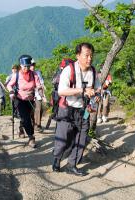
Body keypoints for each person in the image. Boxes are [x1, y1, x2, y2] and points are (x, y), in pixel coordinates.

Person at [52, 42, 101, 176]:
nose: (89, 59)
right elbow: (62, 91)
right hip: (67, 109)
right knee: (63, 139)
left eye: (91, 56)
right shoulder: (69, 70)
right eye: (86, 55)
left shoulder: (93, 72)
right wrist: (82, 90)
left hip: (83, 110)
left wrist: (95, 100)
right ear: (78, 56)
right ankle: (57, 158)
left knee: (81, 138)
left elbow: (97, 90)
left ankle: (72, 165)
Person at [7, 55, 42, 148]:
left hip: (30, 100)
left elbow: (38, 85)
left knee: (28, 117)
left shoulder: (34, 75)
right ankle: (31, 137)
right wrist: (11, 92)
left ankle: (21, 129)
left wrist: (40, 90)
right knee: (26, 117)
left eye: (27, 66)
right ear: (21, 65)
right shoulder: (16, 75)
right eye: (24, 66)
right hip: (20, 100)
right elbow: (9, 85)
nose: (26, 68)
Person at [30, 60, 46, 133]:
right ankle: (32, 124)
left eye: (33, 65)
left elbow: (41, 82)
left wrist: (43, 94)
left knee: (39, 109)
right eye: (31, 65)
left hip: (38, 94)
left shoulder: (38, 72)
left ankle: (37, 125)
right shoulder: (25, 74)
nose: (32, 66)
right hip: (28, 95)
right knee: (30, 111)